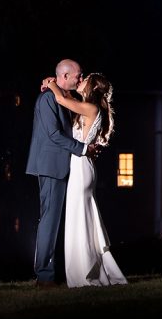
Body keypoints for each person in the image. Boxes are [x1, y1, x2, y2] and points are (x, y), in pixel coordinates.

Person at [42, 71, 128, 287]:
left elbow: (61, 98)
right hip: (82, 167)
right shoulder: (86, 107)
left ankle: (85, 273)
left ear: (91, 88)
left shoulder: (91, 108)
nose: (80, 81)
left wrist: (51, 82)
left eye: (84, 80)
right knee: (81, 218)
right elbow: (67, 98)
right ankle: (86, 269)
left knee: (79, 218)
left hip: (81, 169)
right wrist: (54, 85)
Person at [25, 59, 96, 288]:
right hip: (50, 167)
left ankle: (55, 273)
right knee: (49, 220)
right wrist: (84, 149)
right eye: (78, 75)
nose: (80, 78)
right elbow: (54, 135)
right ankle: (44, 276)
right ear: (65, 77)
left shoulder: (63, 99)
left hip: (60, 167)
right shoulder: (47, 99)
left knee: (56, 222)